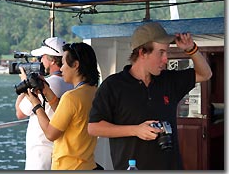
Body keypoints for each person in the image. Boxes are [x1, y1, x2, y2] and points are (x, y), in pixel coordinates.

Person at [88, 22, 212, 170]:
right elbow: (94, 128)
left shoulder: (168, 80)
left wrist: (192, 49)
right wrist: (135, 130)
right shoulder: (113, 85)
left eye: (166, 52)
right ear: (142, 53)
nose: (166, 59)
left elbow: (205, 74)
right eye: (161, 52)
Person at [23, 42, 100, 170]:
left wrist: (36, 106)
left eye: (63, 63)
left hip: (67, 166)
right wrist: (47, 91)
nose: (61, 68)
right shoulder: (94, 92)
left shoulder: (71, 97)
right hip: (87, 164)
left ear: (75, 65)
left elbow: (50, 134)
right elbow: (67, 113)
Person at [15, 37, 73, 170]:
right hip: (59, 150)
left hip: (41, 152)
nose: (40, 60)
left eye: (43, 57)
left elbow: (20, 113)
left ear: (52, 60)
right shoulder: (71, 83)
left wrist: (25, 84)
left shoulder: (49, 84)